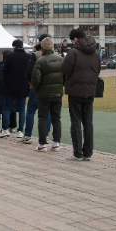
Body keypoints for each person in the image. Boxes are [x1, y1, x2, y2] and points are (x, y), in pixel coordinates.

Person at [61, 28, 101, 161]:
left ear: (75, 39)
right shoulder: (95, 53)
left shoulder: (73, 52)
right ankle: (88, 152)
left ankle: (78, 153)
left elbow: (65, 70)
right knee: (88, 123)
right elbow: (98, 70)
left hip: (75, 91)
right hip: (90, 91)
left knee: (76, 122)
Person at [31, 37, 64, 152]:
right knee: (56, 118)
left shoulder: (40, 61)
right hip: (57, 93)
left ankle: (42, 143)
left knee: (42, 118)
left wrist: (35, 90)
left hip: (44, 95)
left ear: (43, 47)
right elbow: (65, 76)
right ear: (53, 46)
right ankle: (56, 143)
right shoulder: (61, 59)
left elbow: (35, 79)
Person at [23, 34, 52, 144]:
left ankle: (27, 135)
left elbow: (29, 72)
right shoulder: (56, 55)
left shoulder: (35, 55)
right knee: (47, 113)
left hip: (35, 88)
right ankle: (47, 136)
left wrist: (32, 83)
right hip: (49, 89)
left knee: (30, 111)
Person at [0, 39, 30, 138]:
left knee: (7, 107)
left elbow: (5, 70)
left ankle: (5, 129)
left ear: (14, 46)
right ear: (22, 46)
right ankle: (20, 131)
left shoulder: (10, 56)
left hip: (10, 85)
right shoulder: (28, 56)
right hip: (23, 86)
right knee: (21, 109)